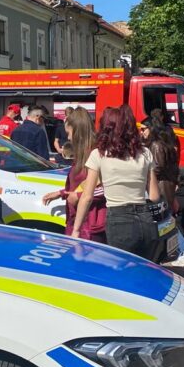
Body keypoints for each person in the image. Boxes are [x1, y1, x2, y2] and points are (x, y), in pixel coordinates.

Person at [71, 105, 163, 261]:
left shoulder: (99, 154)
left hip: (119, 220)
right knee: (143, 269)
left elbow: (87, 197)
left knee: (122, 268)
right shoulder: (145, 153)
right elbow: (154, 196)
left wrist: (76, 230)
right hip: (145, 219)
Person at [141, 116, 184, 267]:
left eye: (143, 129)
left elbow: (157, 168)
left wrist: (144, 174)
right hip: (166, 187)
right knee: (163, 222)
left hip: (159, 188)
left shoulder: (155, 145)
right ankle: (169, 253)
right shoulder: (165, 144)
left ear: (151, 128)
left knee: (164, 223)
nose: (141, 132)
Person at [42, 106, 106, 243]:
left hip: (90, 225)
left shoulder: (96, 153)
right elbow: (82, 185)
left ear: (77, 132)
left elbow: (105, 187)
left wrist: (77, 196)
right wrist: (61, 193)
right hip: (79, 221)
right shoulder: (83, 153)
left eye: (69, 133)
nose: (68, 137)